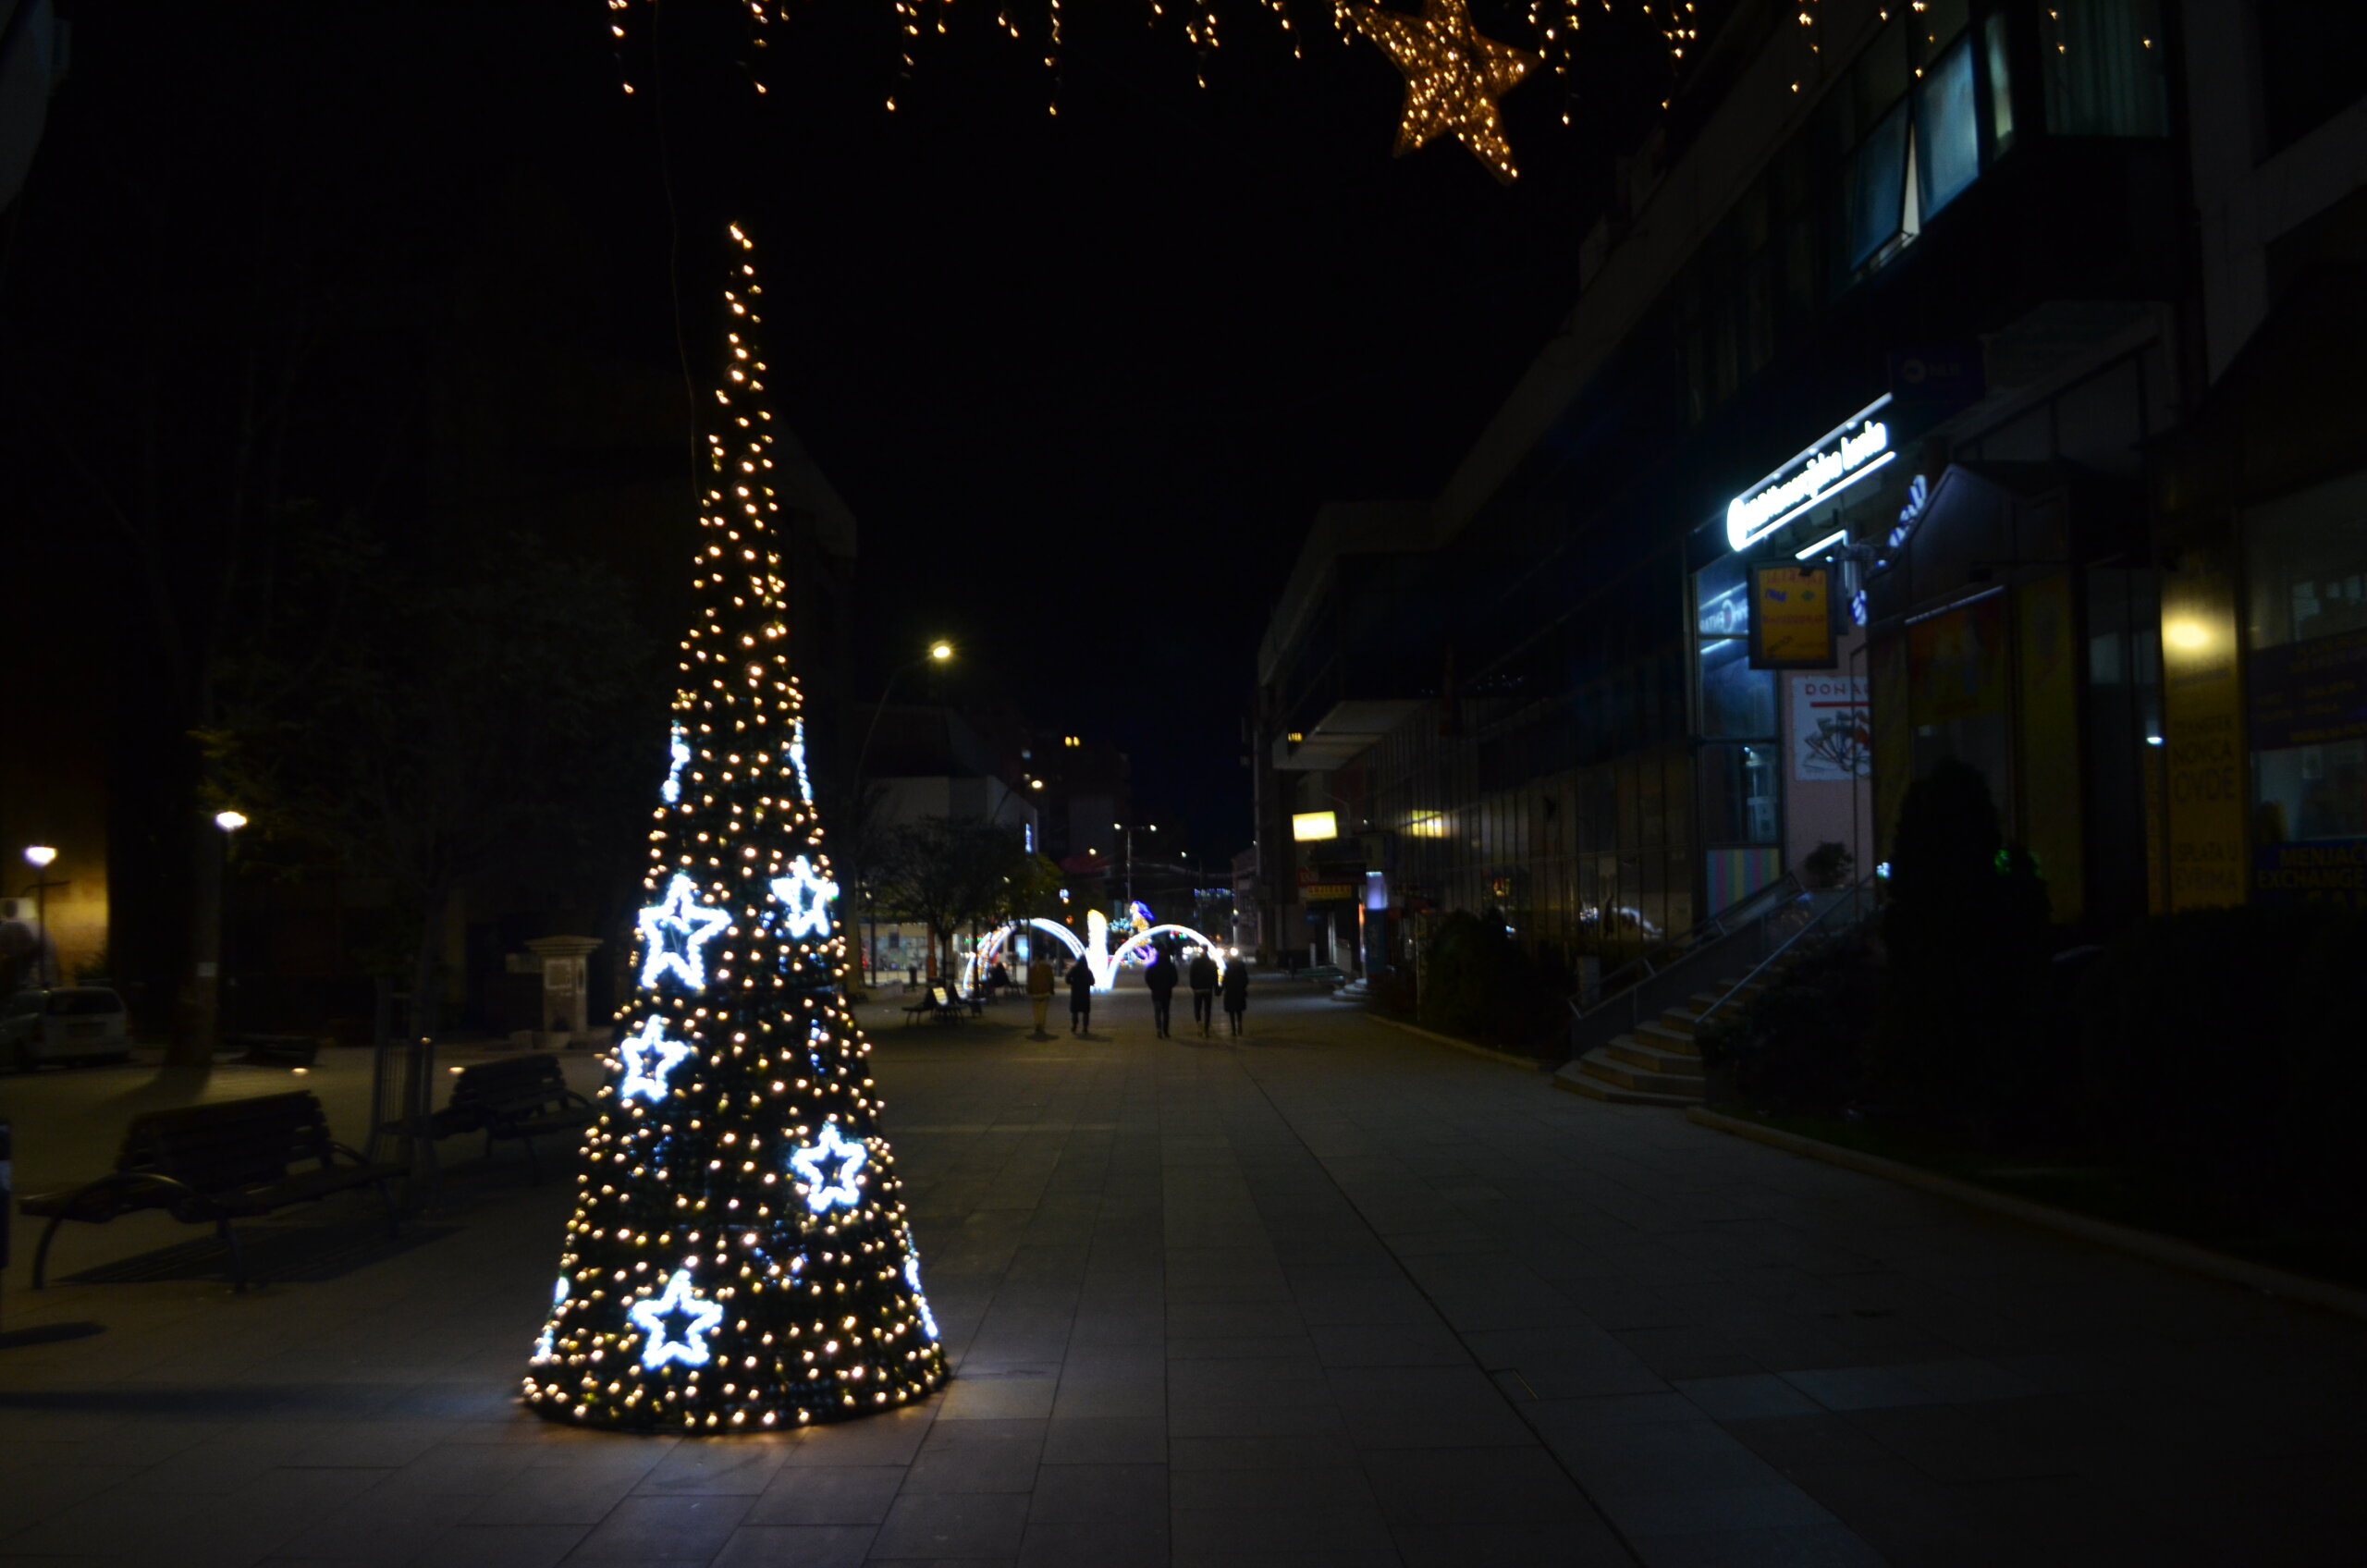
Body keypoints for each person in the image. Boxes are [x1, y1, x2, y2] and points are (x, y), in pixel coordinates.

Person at [1144, 949, 1179, 1038]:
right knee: (1166, 1012)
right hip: (1167, 992)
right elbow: (1175, 979)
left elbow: (1148, 978)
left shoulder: (1152, 966)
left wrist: (1152, 987)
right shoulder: (1170, 966)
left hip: (1156, 993)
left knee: (1157, 1012)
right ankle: (1166, 1031)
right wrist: (1170, 986)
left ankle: (1159, 1029)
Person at [1187, 949, 1220, 1037]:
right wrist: (1216, 989)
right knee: (1207, 1010)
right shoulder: (1212, 963)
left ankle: (1199, 1023)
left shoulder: (1195, 962)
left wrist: (1193, 985)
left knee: (1197, 1008)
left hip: (1198, 989)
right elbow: (1215, 977)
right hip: (1208, 989)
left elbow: (1192, 974)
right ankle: (1206, 1029)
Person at [1026, 951, 1056, 1038]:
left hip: (1034, 992)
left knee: (1036, 1009)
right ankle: (1041, 1025)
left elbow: (1029, 981)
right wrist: (1051, 989)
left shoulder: (1032, 968)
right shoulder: (1047, 967)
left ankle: (1037, 1024)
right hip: (1045, 992)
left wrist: (1029, 990)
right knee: (1043, 1010)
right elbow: (1051, 979)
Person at [1066, 956, 1096, 1035]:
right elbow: (1092, 981)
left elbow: (1067, 978)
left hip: (1075, 992)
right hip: (1085, 993)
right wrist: (1088, 983)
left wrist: (1071, 983)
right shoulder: (1088, 971)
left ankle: (1074, 1026)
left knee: (1075, 1011)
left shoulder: (1074, 970)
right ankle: (1085, 1028)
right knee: (1085, 1012)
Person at [1220, 959, 1249, 1036]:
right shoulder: (1242, 971)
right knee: (1239, 1010)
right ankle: (1239, 1023)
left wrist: (1219, 990)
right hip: (1239, 992)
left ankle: (1233, 1029)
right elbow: (1246, 981)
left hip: (1230, 993)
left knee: (1231, 1012)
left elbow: (1224, 982)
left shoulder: (1228, 972)